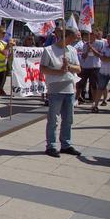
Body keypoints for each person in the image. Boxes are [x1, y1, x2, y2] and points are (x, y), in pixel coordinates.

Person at [40, 28, 82, 158]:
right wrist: (59, 71)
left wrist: (68, 66)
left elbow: (79, 69)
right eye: (74, 37)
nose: (75, 40)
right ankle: (51, 146)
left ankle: (66, 144)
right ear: (67, 36)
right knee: (53, 119)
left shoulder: (72, 50)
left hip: (69, 88)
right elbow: (43, 69)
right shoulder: (49, 50)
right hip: (55, 88)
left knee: (68, 119)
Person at [94, 33, 110, 114]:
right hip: (104, 71)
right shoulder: (105, 47)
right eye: (109, 38)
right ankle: (95, 106)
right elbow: (103, 59)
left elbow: (107, 59)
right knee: (100, 88)